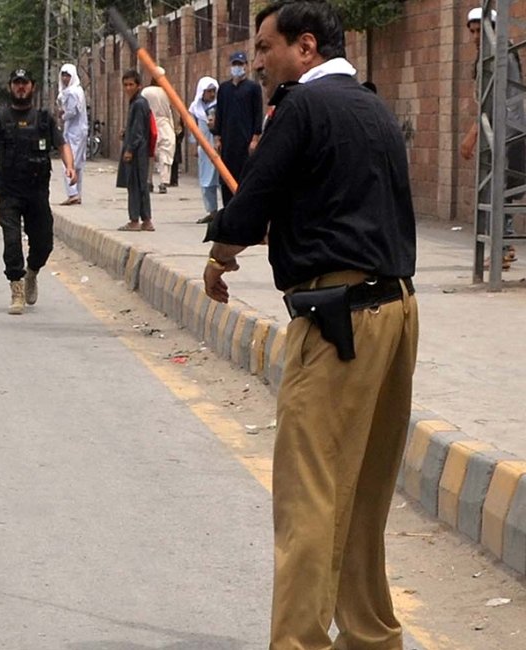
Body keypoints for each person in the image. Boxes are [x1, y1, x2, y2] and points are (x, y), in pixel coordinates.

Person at [202, 3, 417, 647]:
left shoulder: (301, 106)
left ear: (306, 47)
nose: (259, 63)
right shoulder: (372, 106)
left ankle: (297, 643)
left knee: (310, 496)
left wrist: (220, 256)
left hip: (339, 323)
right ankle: (371, 637)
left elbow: (252, 201)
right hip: (398, 313)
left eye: (266, 48)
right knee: (364, 495)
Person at [0, 67, 77, 315]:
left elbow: (62, 144)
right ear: (11, 87)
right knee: (12, 241)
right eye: (16, 83)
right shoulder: (0, 120)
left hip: (37, 192)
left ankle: (32, 272)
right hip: (9, 191)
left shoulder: (43, 120)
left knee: (43, 243)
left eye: (25, 83)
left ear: (32, 86)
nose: (21, 87)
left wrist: (70, 166)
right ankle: (17, 288)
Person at [461, 6, 520, 269]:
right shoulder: (488, 55)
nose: (475, 36)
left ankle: (504, 247)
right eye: (472, 31)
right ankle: (503, 247)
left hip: (510, 129)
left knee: (500, 188)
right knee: (500, 188)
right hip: (500, 128)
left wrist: (473, 134)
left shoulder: (500, 54)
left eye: (479, 30)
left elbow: (497, 99)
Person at [212, 49, 263, 206]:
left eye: (240, 64)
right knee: (226, 177)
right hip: (228, 142)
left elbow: (257, 114)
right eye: (235, 64)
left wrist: (255, 138)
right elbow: (219, 114)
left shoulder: (253, 88)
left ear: (246, 66)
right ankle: (228, 208)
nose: (237, 67)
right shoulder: (224, 89)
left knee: (244, 176)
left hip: (245, 142)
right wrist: (217, 137)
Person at [117, 69, 154, 231]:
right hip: (140, 149)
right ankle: (146, 220)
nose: (128, 88)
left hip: (137, 151)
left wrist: (129, 149)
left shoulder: (139, 103)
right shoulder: (137, 103)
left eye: (131, 84)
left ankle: (134, 220)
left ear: (138, 86)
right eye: (125, 85)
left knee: (134, 184)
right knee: (141, 184)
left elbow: (139, 131)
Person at [140, 68, 176, 194]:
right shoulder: (167, 92)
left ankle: (148, 181)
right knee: (165, 153)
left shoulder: (145, 91)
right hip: (164, 124)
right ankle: (163, 182)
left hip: (150, 124)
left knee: (150, 152)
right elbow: (170, 111)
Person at [189, 76, 221, 223]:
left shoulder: (220, 107)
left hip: (218, 148)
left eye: (213, 91)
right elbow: (193, 129)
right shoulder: (196, 109)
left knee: (222, 181)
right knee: (206, 182)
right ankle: (212, 211)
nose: (212, 95)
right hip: (204, 149)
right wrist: (195, 145)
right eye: (209, 92)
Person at [57, 63, 89, 205]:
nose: (65, 78)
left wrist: (62, 116)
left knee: (68, 163)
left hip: (73, 131)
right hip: (80, 130)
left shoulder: (71, 92)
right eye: (63, 75)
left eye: (67, 75)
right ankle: (77, 193)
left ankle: (73, 193)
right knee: (78, 164)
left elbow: (72, 112)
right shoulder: (78, 90)